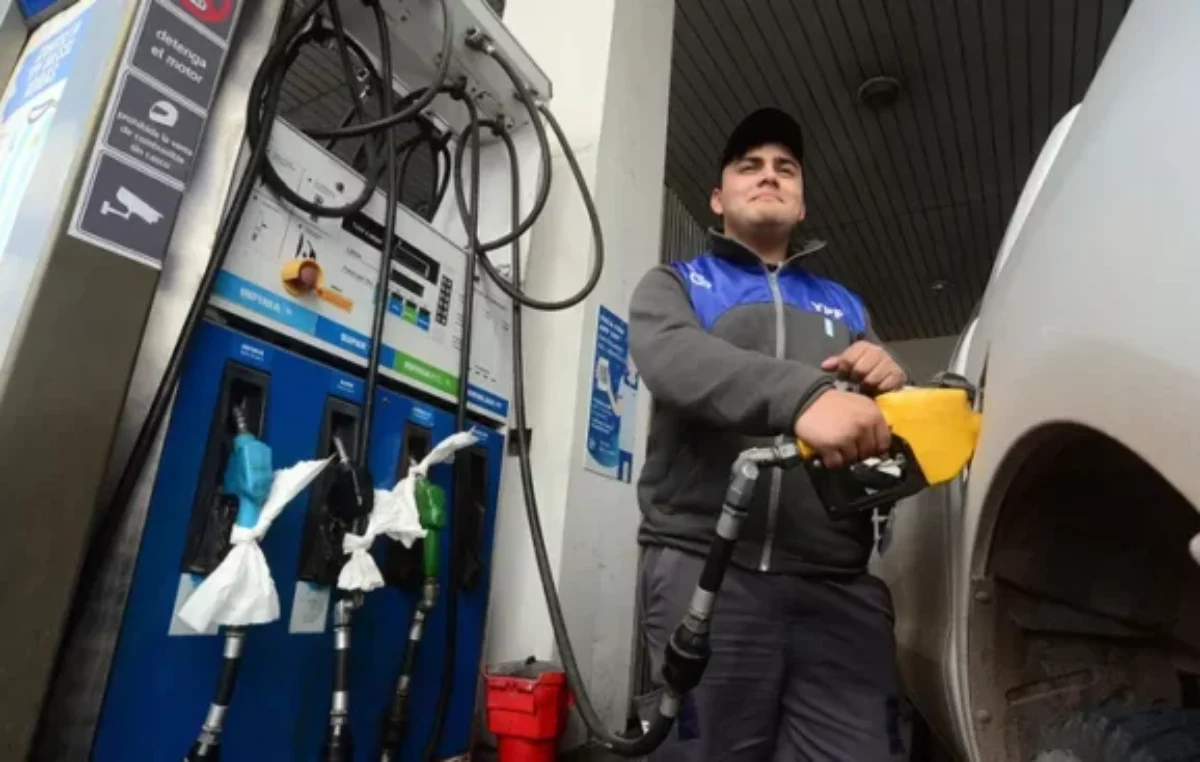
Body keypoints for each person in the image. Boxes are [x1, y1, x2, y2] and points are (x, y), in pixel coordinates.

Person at [629, 107, 911, 760]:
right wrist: (805, 395)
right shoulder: (677, 285)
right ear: (717, 197)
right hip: (709, 573)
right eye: (749, 165)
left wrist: (893, 394)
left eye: (786, 168)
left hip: (837, 586)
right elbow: (674, 361)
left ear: (802, 201)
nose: (769, 176)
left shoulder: (848, 309)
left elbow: (884, 460)